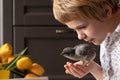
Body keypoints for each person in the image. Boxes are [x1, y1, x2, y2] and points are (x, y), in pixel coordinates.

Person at [53, 0, 120, 80]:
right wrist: (92, 67)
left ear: (106, 11)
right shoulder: (105, 33)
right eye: (75, 30)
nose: (80, 36)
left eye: (82, 27)